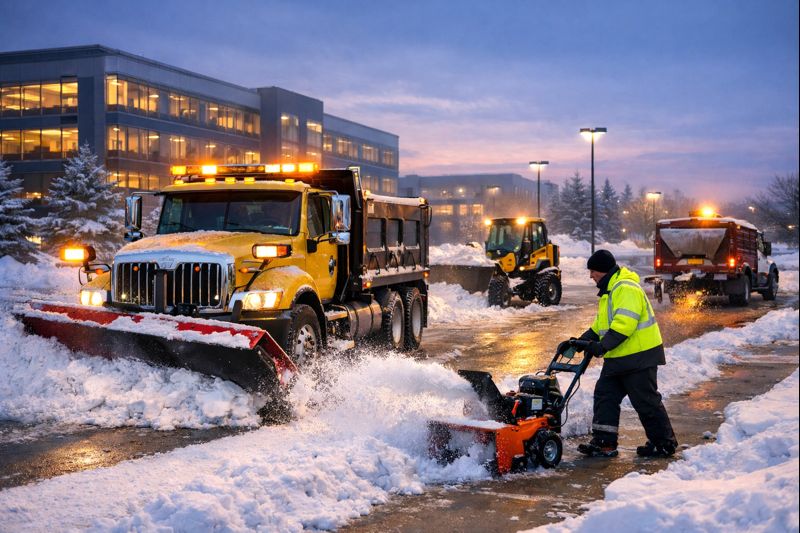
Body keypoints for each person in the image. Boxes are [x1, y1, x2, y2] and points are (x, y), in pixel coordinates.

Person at [568, 249, 678, 458]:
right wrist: (578, 342)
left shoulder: (625, 288)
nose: (591, 276)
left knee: (645, 401)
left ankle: (664, 443)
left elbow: (625, 324)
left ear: (603, 270)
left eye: (593, 271)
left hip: (639, 357)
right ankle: (604, 443)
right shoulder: (610, 291)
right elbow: (600, 326)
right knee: (605, 395)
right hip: (619, 359)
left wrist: (602, 347)